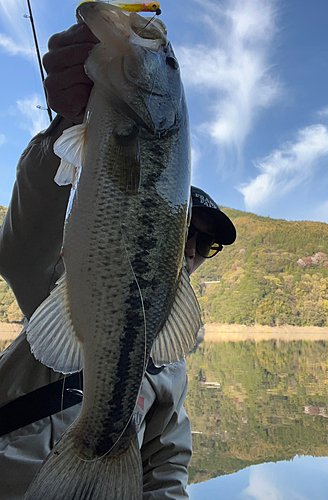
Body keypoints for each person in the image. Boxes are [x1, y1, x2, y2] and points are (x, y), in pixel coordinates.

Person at [0, 22, 236, 500]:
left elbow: (167, 470)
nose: (191, 249)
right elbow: (23, 242)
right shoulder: (65, 284)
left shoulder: (171, 372)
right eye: (186, 231)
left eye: (205, 245)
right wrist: (66, 123)